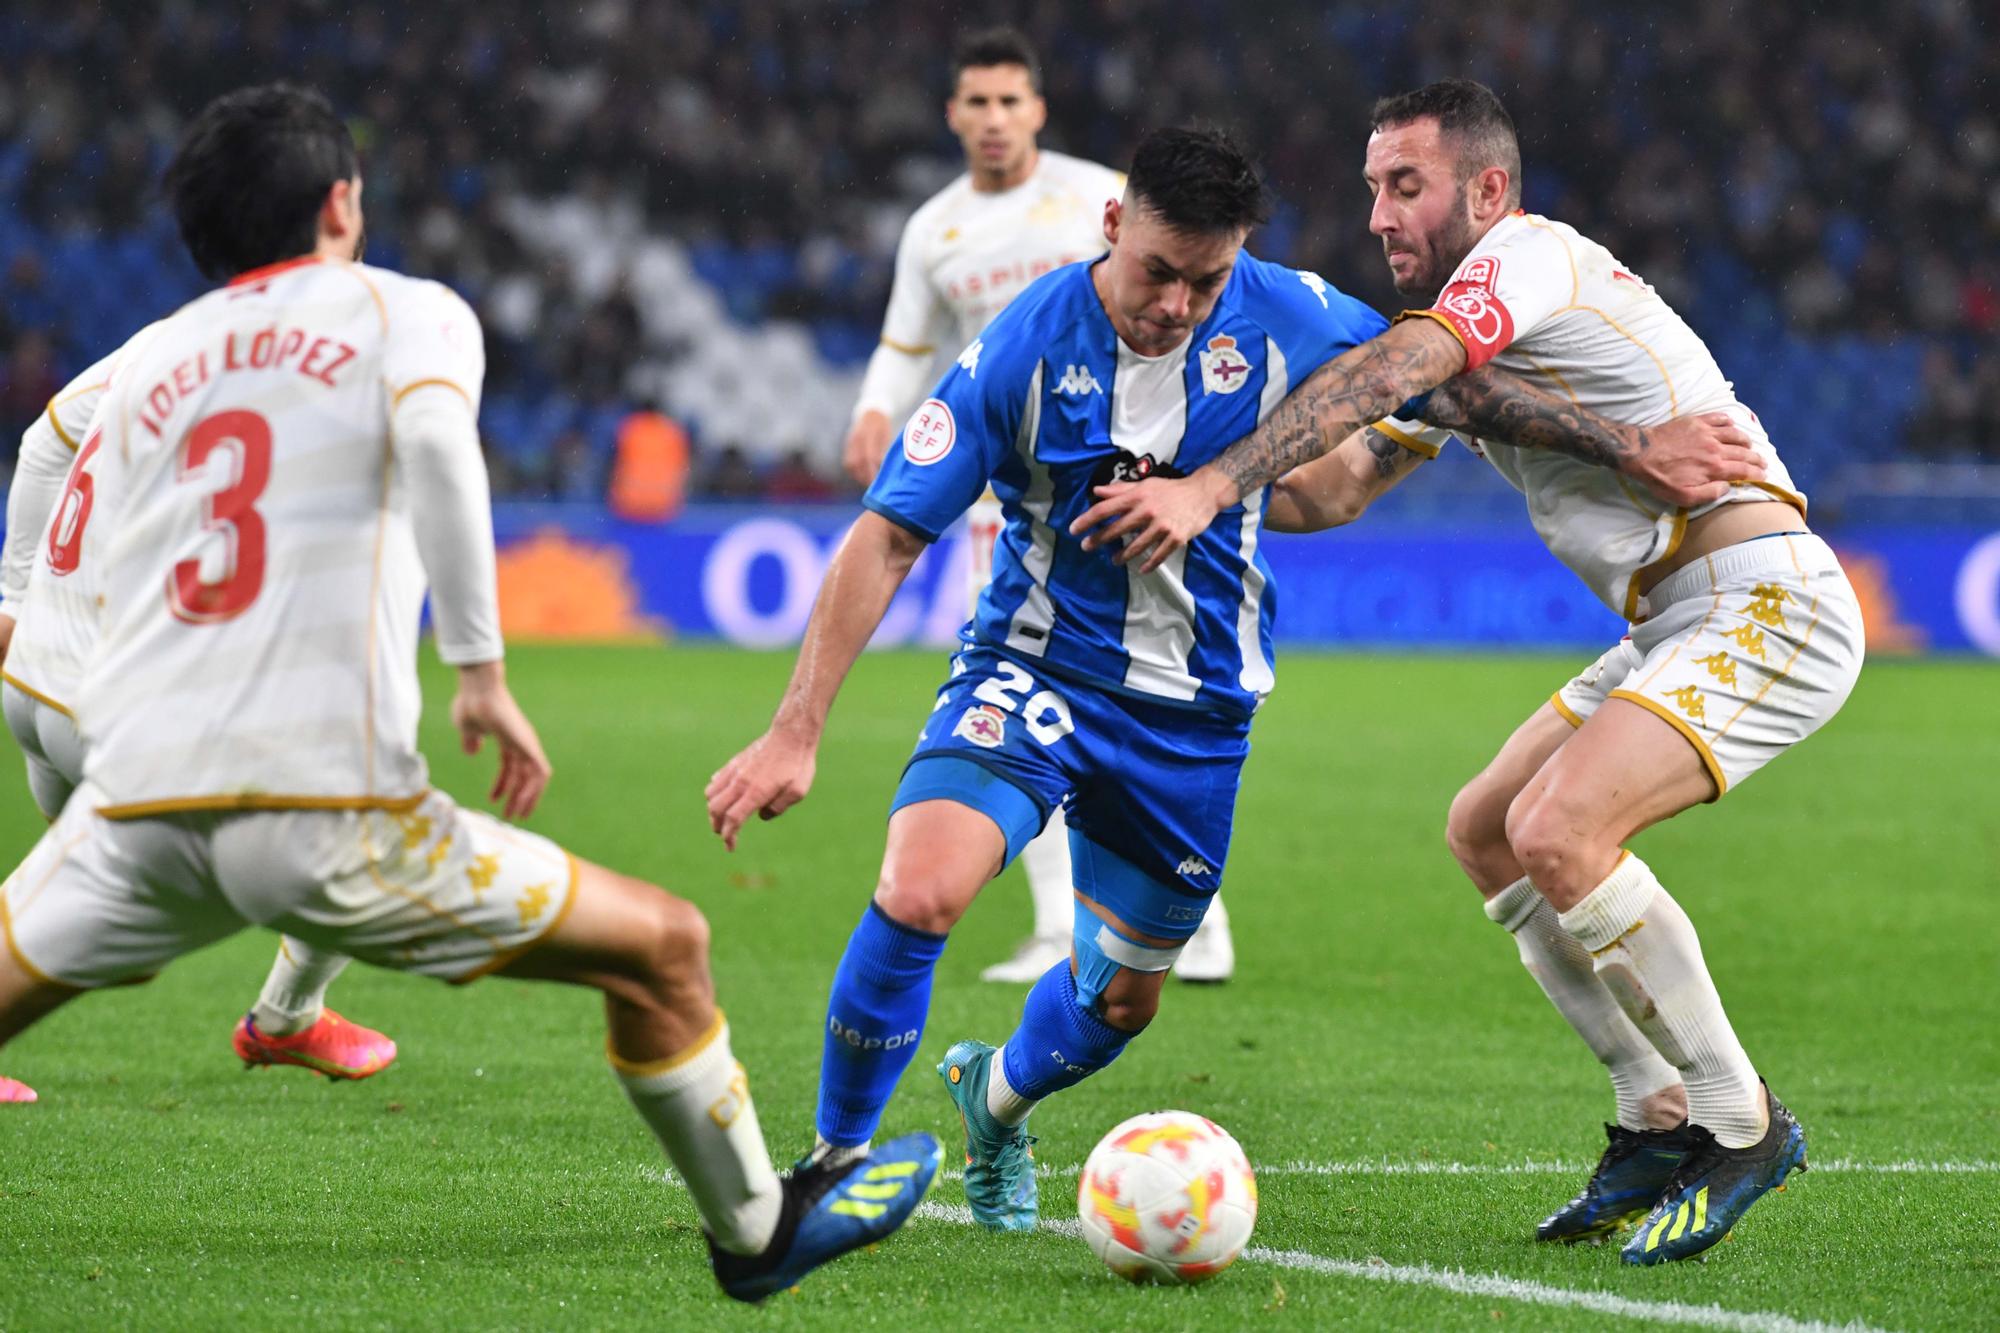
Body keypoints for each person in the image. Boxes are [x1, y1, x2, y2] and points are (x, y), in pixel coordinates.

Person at [706, 125, 1750, 1233]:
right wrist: (793, 730)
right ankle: (832, 1163)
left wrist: (1624, 442)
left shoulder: (1279, 308)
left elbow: (1449, 389)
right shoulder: (1023, 346)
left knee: (1121, 1000)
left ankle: (995, 1101)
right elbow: (885, 538)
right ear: (1113, 228)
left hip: (1193, 721)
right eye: (1157, 271)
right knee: (921, 887)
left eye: (1204, 279)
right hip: (1034, 668)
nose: (1176, 304)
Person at [0, 83, 937, 1300]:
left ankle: (290, 1011)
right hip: (317, 810)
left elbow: (79, 490)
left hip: (136, 803)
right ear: (342, 203)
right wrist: (481, 673)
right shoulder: (406, 312)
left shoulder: (148, 365)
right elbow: (441, 451)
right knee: (663, 948)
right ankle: (757, 1235)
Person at [1070, 80, 1862, 1266]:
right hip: (1672, 616)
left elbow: (1393, 367)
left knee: (1559, 828)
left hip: (1766, 599)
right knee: (1487, 826)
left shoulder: (1524, 261)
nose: (1380, 214)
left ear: (1485, 190)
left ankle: (1741, 1125)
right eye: (1369, 189)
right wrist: (1164, 469)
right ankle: (1652, 1113)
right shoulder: (1469, 333)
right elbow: (1331, 489)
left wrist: (1211, 482)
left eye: (1405, 185)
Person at [839, 28, 1238, 984]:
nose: (993, 120)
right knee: (1038, 693)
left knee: (1124, 686)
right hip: (1007, 488)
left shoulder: (1094, 196)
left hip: (1121, 477)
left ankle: (1181, 918)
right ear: (953, 114)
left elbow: (1191, 286)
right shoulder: (932, 229)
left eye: (1009, 101)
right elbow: (906, 341)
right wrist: (872, 409)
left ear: (1037, 109)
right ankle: (1074, 925)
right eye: (975, 103)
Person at [0, 325, 407, 1093]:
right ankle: (286, 1018)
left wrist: (16, 597)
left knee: (64, 885)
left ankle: (288, 1013)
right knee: (367, 817)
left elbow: (44, 438)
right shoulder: (316, 367)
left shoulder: (164, 338)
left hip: (34, 677)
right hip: (119, 702)